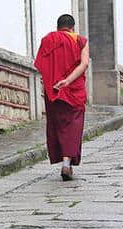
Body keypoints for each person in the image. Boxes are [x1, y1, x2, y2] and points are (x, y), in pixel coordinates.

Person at [34, 14, 90, 181]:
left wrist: (54, 82)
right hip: (74, 90)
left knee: (58, 126)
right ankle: (67, 164)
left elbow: (40, 65)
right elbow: (84, 64)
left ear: (58, 27)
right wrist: (68, 80)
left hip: (54, 91)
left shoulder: (48, 39)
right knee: (73, 127)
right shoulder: (81, 41)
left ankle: (65, 163)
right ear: (73, 27)